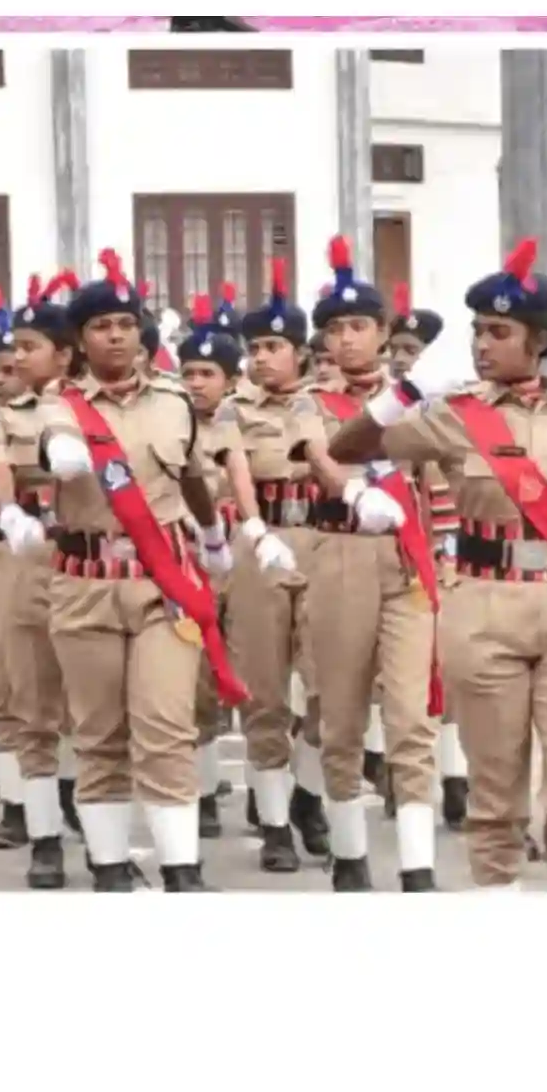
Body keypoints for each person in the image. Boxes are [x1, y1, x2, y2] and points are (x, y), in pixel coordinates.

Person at [327, 238, 547, 892]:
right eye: (477, 331)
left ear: (540, 340)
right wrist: (407, 391)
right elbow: (348, 445)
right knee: (495, 802)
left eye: (499, 332)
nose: (482, 344)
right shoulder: (452, 416)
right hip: (483, 610)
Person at [33, 249, 247, 890]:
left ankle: (181, 870)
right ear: (80, 340)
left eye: (126, 323)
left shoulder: (176, 402)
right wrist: (66, 450)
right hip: (86, 584)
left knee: (164, 726)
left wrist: (211, 535)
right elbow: (53, 446)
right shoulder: (59, 404)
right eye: (101, 327)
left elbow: (192, 475)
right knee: (98, 734)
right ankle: (108, 868)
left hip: (161, 586)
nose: (116, 335)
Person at [295, 237, 441, 891]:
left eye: (359, 327)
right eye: (335, 328)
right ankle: (349, 857)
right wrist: (356, 491)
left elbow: (439, 482)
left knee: (412, 716)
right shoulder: (307, 401)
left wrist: (448, 554)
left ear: (384, 334)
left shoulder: (418, 401)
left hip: (407, 560)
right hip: (341, 554)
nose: (346, 339)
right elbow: (322, 461)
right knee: (343, 713)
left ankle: (416, 867)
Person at [0, 272, 84, 888]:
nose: (16, 357)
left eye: (30, 347)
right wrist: (9, 510)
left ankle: (76, 803)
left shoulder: (100, 408)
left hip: (92, 563)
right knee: (24, 695)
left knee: (86, 703)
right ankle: (37, 828)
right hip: (25, 553)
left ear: (63, 355)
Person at [230, 261, 330, 872]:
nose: (262, 358)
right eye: (255, 349)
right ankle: (273, 823)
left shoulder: (329, 404)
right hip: (262, 543)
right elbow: (237, 470)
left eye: (274, 347)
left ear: (300, 352)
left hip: (323, 542)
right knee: (264, 691)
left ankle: (310, 797)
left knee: (327, 689)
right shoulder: (231, 411)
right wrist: (254, 529)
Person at [176, 289, 286, 840]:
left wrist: (253, 529)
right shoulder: (167, 419)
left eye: (207, 373)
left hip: (239, 556)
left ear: (229, 377)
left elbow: (245, 483)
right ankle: (201, 795)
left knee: (253, 678)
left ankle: (271, 814)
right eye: (188, 372)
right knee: (193, 685)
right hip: (185, 557)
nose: (196, 382)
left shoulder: (241, 419)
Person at [388, 283, 466, 830]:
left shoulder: (459, 409)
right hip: (409, 553)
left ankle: (458, 778)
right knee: (408, 677)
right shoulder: (392, 412)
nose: (400, 358)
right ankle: (403, 776)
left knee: (455, 670)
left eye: (412, 350)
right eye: (395, 348)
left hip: (457, 551)